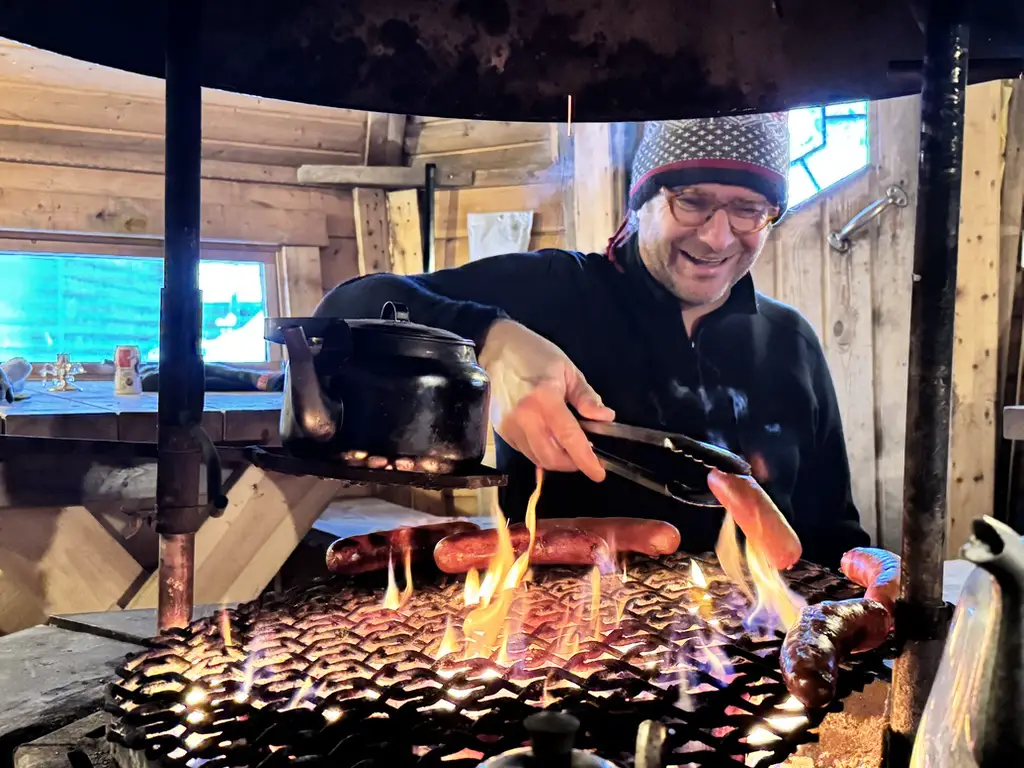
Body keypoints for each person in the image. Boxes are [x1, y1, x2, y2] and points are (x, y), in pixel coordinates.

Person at [315, 114, 871, 569]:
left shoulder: (790, 338)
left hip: (764, 665)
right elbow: (345, 310)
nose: (718, 235)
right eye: (692, 201)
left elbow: (834, 529)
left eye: (748, 209)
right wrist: (490, 338)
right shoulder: (553, 290)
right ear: (643, 199)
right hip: (570, 661)